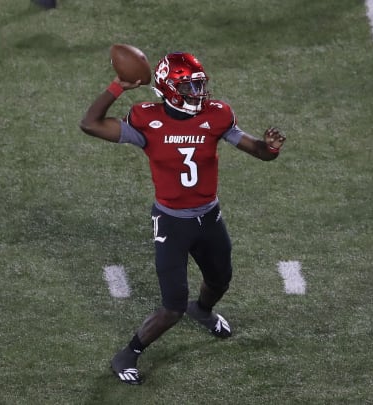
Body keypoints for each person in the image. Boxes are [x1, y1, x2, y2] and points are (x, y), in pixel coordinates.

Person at [79, 51, 286, 385]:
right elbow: (89, 124)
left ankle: (202, 311)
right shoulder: (146, 120)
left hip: (209, 216)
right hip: (172, 221)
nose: (197, 92)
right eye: (189, 86)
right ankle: (128, 353)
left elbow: (258, 151)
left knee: (220, 280)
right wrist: (117, 86)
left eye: (199, 84)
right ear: (170, 88)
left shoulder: (217, 115)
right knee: (172, 306)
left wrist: (270, 147)